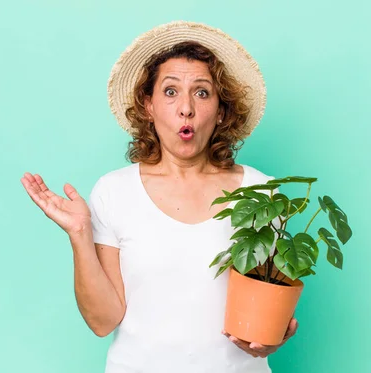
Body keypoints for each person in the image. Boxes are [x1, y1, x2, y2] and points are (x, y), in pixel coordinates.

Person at [21, 21, 298, 373]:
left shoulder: (260, 193)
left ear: (221, 110)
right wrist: (79, 234)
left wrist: (275, 335)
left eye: (202, 92)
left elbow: (268, 311)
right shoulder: (114, 191)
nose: (186, 108)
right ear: (148, 106)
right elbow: (103, 321)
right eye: (170, 91)